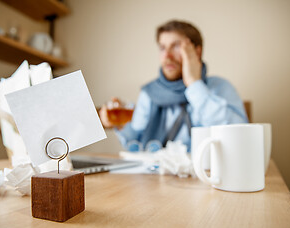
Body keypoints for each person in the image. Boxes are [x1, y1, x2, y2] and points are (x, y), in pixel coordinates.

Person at [99, 20, 248, 151]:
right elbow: (136, 143)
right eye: (162, 48)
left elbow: (239, 135)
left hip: (205, 176)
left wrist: (193, 83)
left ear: (197, 52)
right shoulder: (150, 93)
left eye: (176, 46)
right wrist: (121, 125)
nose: (167, 56)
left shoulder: (220, 87)